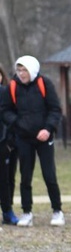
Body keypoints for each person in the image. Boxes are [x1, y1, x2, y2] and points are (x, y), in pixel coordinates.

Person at [0, 55, 63, 227]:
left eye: (24, 70)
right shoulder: (12, 87)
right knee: (25, 177)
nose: (21, 73)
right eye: (19, 70)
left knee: (49, 175)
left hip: (44, 137)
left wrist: (47, 129)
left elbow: (55, 109)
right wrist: (18, 124)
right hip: (23, 138)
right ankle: (27, 212)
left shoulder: (45, 84)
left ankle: (57, 211)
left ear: (32, 70)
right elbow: (5, 111)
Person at [0, 65, 18, 226]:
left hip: (4, 142)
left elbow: (11, 118)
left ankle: (7, 211)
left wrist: (10, 142)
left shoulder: (5, 94)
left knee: (5, 179)